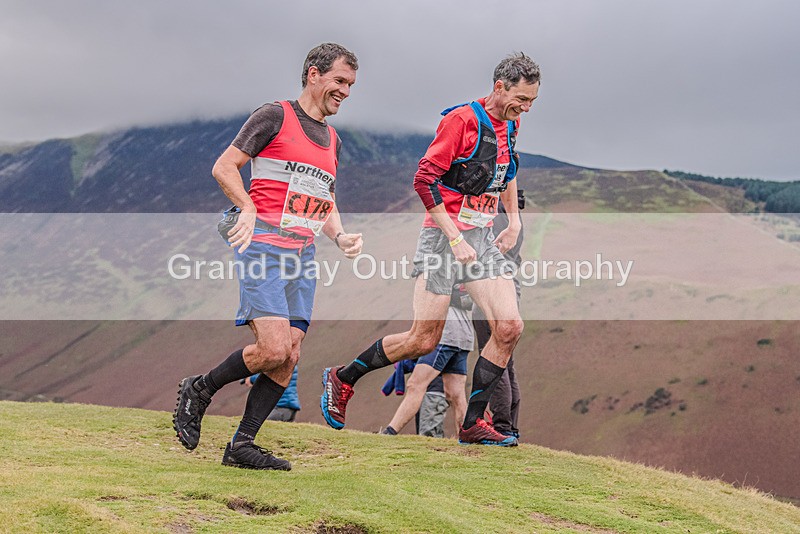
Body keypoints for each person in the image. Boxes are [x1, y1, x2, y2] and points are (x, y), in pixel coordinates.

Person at [322, 53, 540, 446]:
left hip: (481, 239)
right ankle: (342, 377)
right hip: (443, 240)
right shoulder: (462, 121)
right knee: (423, 340)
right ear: (499, 87)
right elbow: (424, 180)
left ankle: (472, 424)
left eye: (531, 102)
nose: (524, 108)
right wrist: (454, 237)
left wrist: (514, 221)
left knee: (509, 327)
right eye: (521, 99)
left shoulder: (510, 123)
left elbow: (507, 171)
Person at [173, 43, 362, 471]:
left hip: (303, 255)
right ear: (313, 74)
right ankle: (199, 388)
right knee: (273, 346)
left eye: (350, 85)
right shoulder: (274, 115)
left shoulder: (333, 139)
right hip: (262, 247)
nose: (346, 92)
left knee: (289, 353)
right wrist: (249, 205)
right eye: (339, 82)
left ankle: (242, 444)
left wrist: (341, 236)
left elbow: (324, 199)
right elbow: (225, 167)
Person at [379, 285, 473, 438]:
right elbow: (468, 300)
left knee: (415, 384)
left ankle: (389, 432)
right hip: (463, 336)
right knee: (456, 394)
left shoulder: (441, 271)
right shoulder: (464, 274)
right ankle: (465, 437)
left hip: (444, 334)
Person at [472, 190, 525, 439]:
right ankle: (509, 426)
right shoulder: (515, 222)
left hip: (492, 289)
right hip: (510, 288)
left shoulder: (496, 220)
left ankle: (501, 426)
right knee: (506, 363)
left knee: (494, 360)